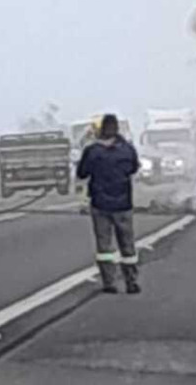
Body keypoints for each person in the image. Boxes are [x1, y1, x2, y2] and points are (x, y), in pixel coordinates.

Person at [77, 114, 141, 294]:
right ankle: (131, 281)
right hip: (123, 204)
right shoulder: (127, 149)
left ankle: (109, 282)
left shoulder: (92, 151)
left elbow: (82, 173)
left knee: (104, 247)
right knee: (127, 245)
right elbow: (134, 168)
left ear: (101, 130)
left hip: (100, 205)